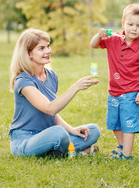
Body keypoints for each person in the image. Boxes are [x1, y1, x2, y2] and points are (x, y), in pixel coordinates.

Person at [9, 28, 100, 158]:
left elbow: (52, 116)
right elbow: (50, 109)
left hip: (49, 133)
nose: (48, 51)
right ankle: (69, 151)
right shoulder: (23, 81)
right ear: (29, 53)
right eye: (41, 48)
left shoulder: (51, 76)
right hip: (26, 139)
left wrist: (72, 130)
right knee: (58, 133)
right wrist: (75, 87)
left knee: (93, 130)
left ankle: (55, 151)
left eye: (48, 46)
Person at [90, 3, 139, 160]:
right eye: (130, 24)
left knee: (128, 124)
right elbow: (93, 45)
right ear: (123, 23)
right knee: (114, 123)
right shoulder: (113, 39)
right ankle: (122, 145)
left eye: (138, 26)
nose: (134, 29)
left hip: (131, 93)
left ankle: (126, 154)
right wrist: (99, 35)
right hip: (114, 91)